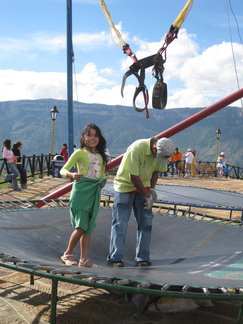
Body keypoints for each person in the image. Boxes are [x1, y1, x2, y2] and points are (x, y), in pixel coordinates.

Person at [107, 137, 174, 268]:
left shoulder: (163, 151)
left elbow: (156, 171)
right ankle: (115, 258)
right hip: (125, 187)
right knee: (120, 223)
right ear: (154, 148)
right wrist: (147, 195)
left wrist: (152, 189)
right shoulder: (137, 148)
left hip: (144, 188)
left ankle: (142, 257)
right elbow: (133, 177)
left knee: (146, 222)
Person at [60, 123, 108, 268]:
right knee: (81, 226)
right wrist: (72, 174)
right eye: (89, 135)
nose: (92, 138)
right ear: (83, 137)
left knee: (88, 227)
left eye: (95, 135)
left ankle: (84, 259)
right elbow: (63, 170)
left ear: (99, 138)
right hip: (81, 191)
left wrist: (103, 181)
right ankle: (67, 253)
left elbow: (102, 173)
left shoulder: (101, 155)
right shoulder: (79, 153)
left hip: (94, 192)